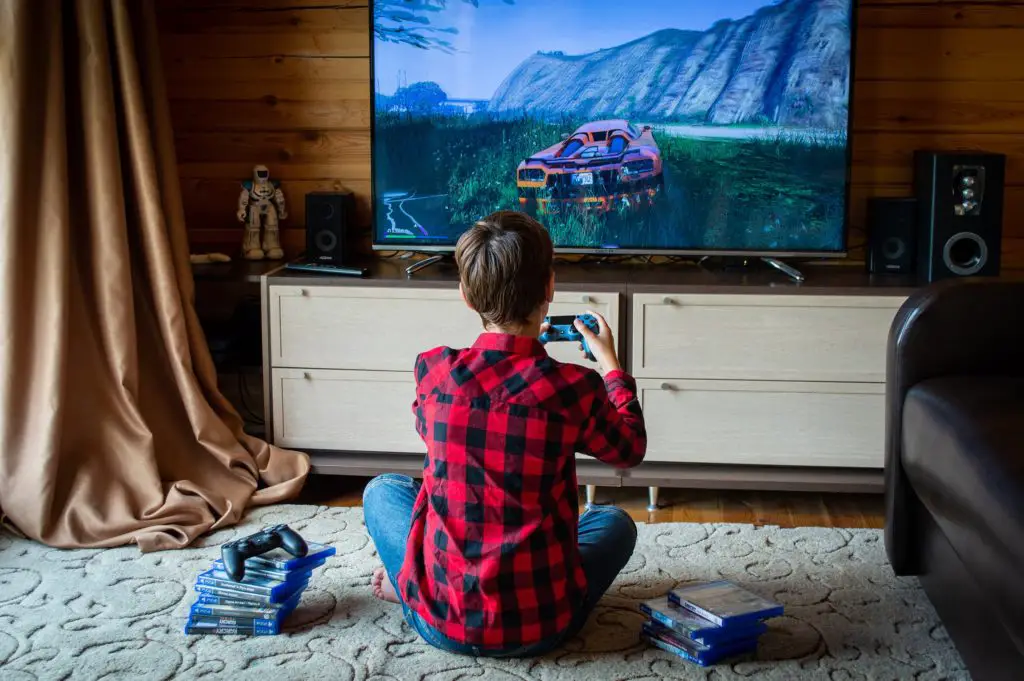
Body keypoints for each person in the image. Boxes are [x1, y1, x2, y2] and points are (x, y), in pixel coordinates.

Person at [363, 210, 647, 657]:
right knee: (615, 523)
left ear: (466, 296)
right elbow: (630, 448)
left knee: (382, 490)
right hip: (542, 626)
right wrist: (610, 364)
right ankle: (416, 584)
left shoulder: (434, 370)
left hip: (442, 622)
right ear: (549, 287)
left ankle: (410, 585)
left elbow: (432, 426)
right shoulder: (573, 387)